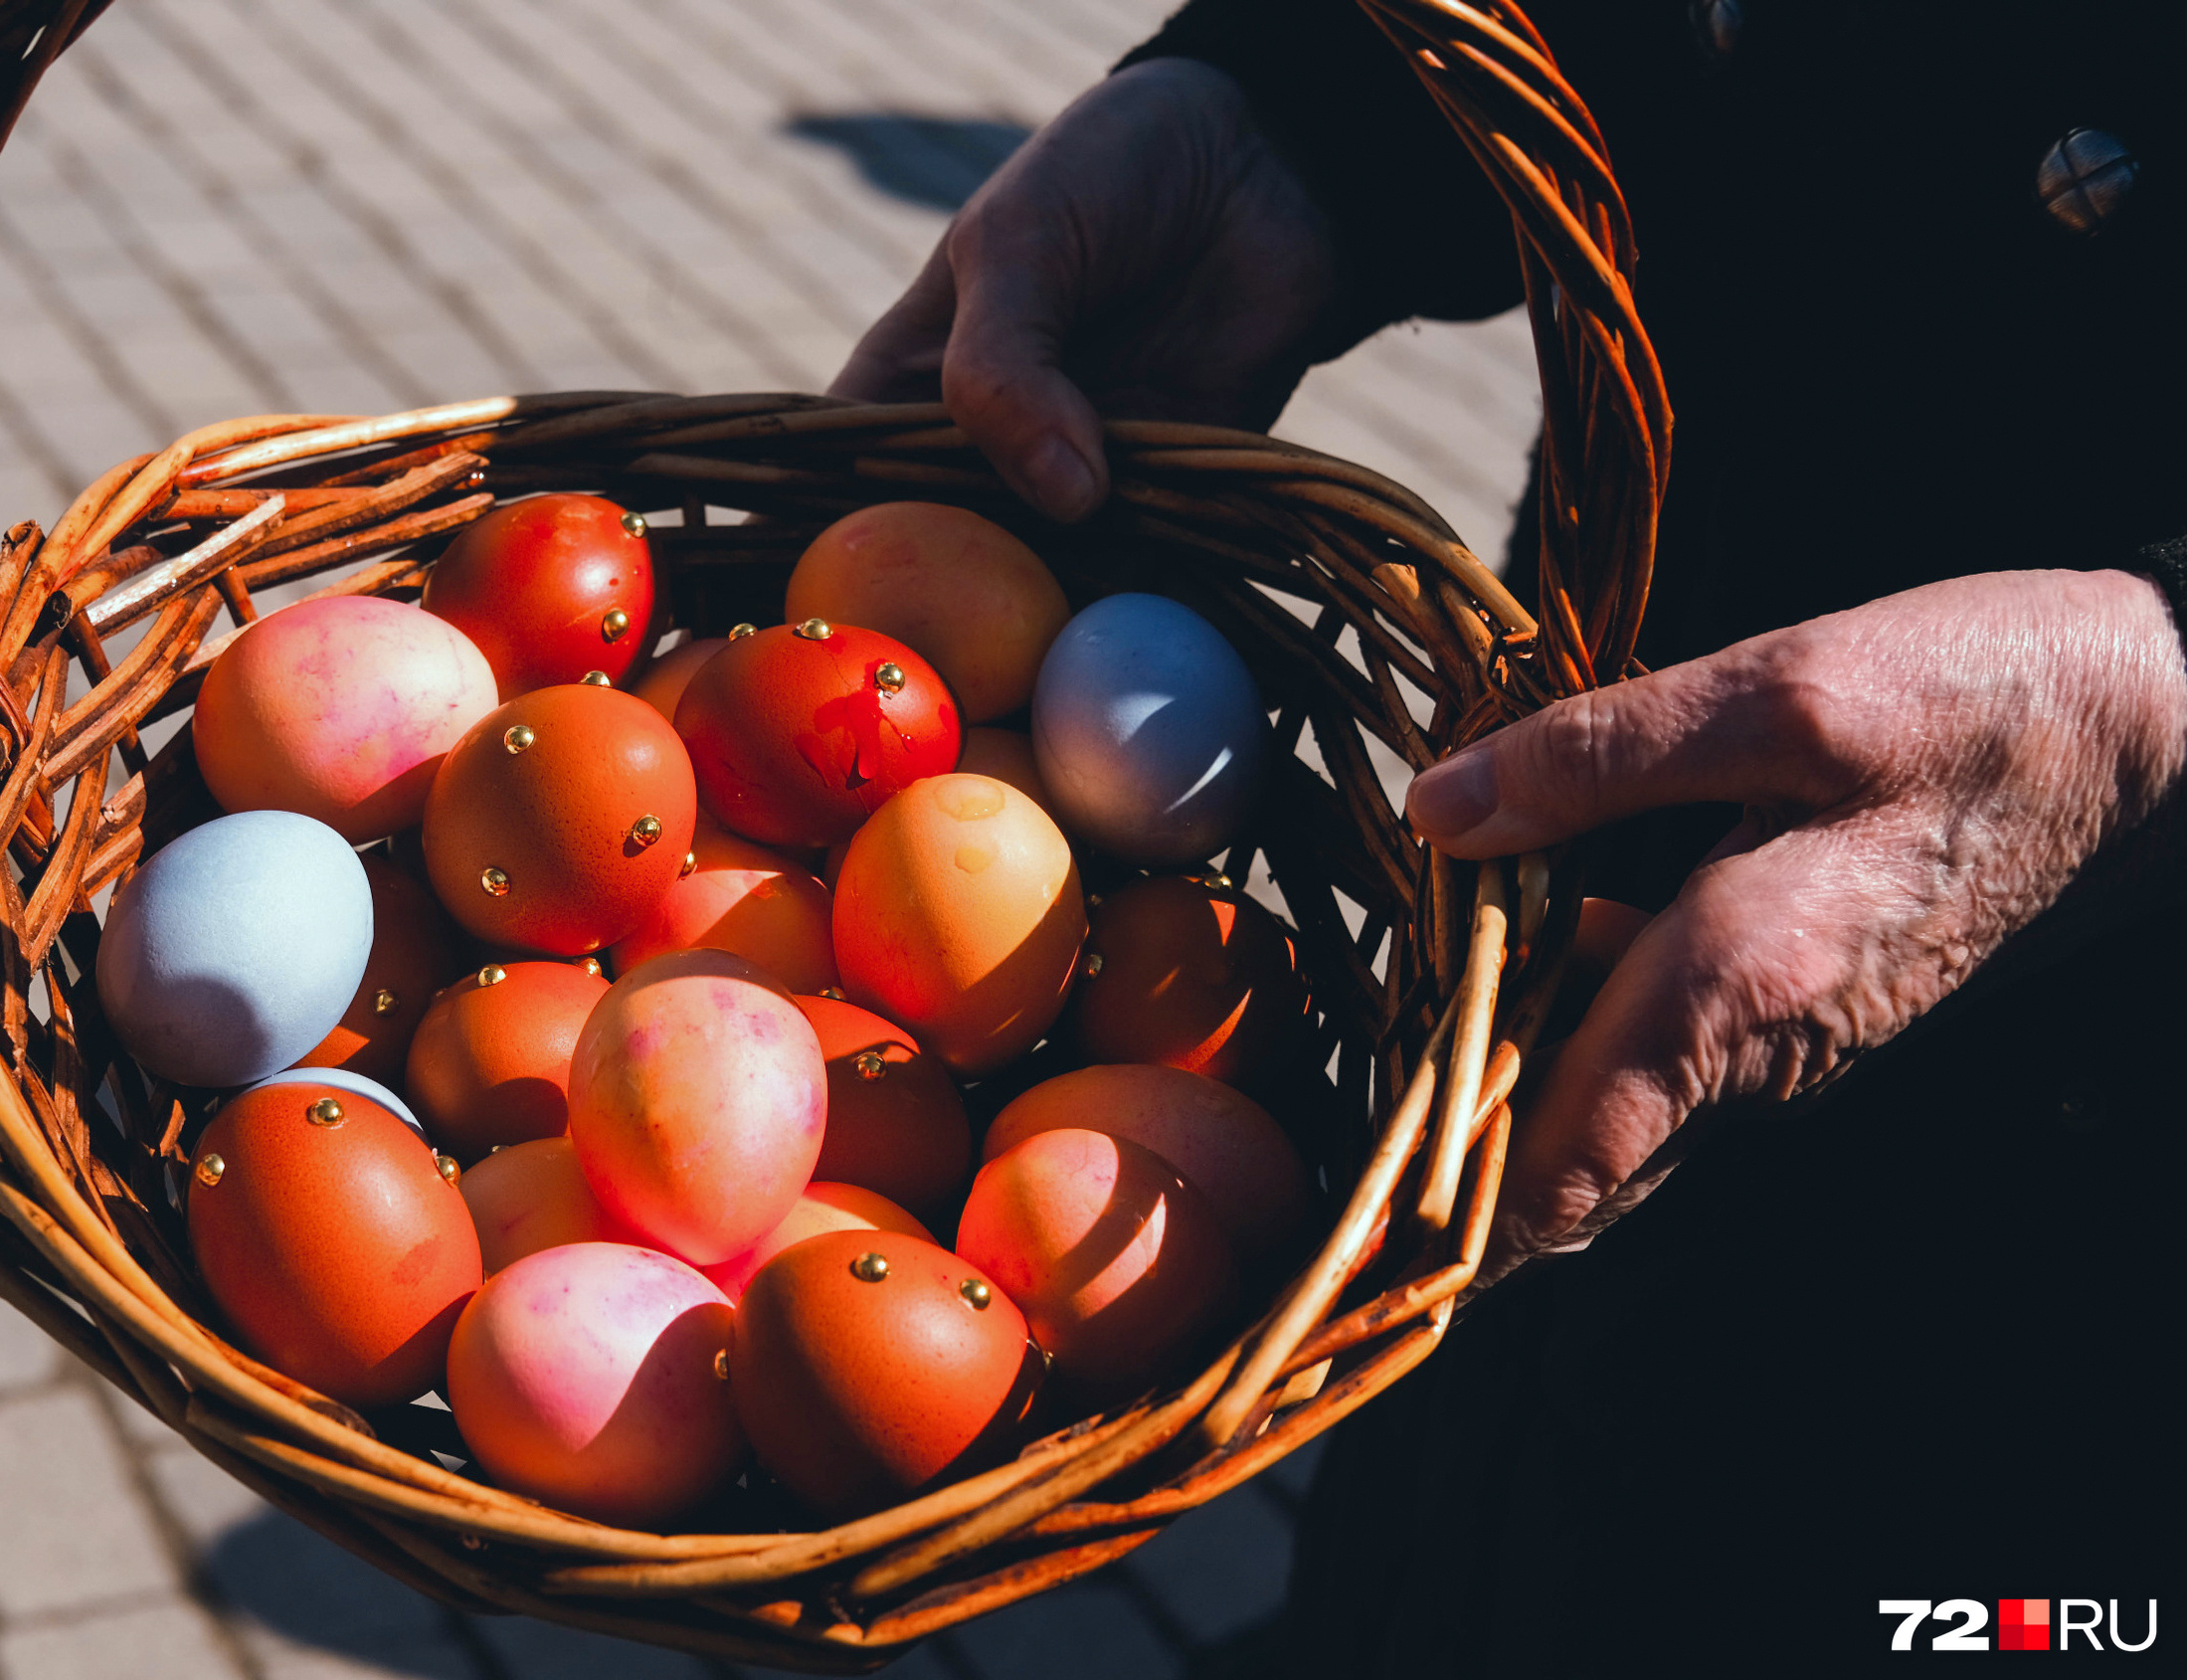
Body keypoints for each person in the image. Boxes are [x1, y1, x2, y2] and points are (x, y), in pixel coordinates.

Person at [832, 2, 2182, 1668]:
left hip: (2097, 1269)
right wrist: (1308, 106)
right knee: (1457, 1543)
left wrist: (2159, 697)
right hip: (1580, 865)